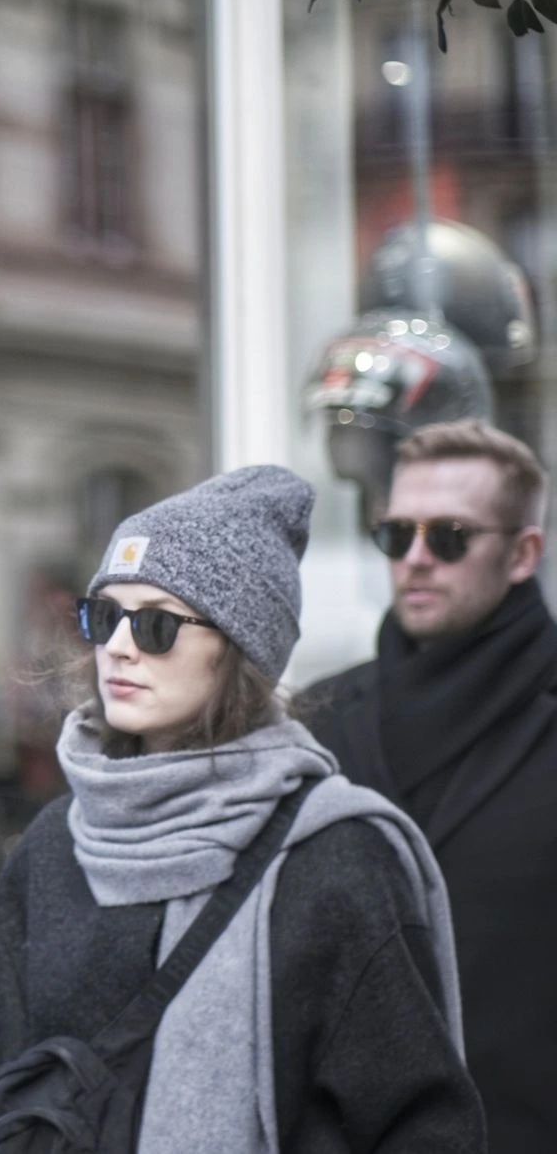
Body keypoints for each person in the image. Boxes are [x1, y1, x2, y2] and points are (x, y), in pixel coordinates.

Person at [0, 465, 481, 1153]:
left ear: (237, 648)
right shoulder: (61, 839)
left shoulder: (332, 856)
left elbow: (421, 1126)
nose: (117, 645)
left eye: (155, 624)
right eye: (106, 616)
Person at [303, 418, 557, 1154]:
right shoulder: (319, 720)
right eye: (394, 535)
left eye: (447, 536)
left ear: (522, 552)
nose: (415, 559)